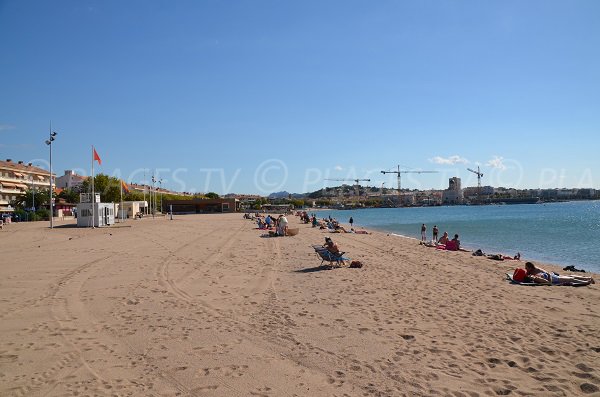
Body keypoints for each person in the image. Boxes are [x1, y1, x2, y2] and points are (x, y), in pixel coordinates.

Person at [524, 262, 595, 286]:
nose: (526, 269)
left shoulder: (536, 269)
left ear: (530, 267)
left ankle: (587, 281)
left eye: (526, 268)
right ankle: (588, 278)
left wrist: (550, 281)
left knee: (570, 279)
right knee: (570, 277)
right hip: (553, 276)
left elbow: (547, 273)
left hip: (553, 277)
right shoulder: (530, 272)